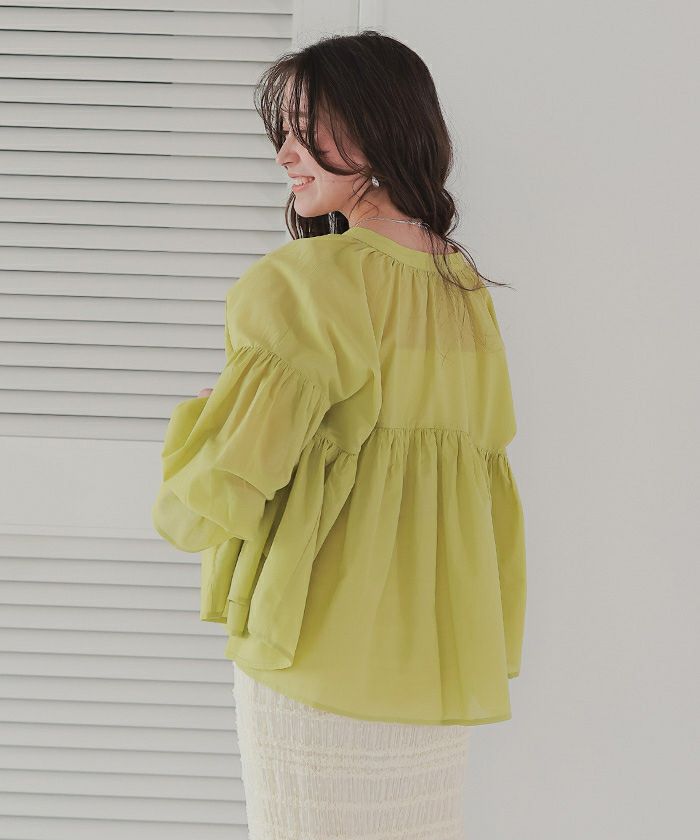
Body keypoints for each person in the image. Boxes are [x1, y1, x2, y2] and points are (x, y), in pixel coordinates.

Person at [151, 29, 526, 840]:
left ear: (378, 123)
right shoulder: (463, 287)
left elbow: (213, 497)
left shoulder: (307, 281)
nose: (286, 153)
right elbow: (475, 483)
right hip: (431, 659)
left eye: (307, 128)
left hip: (314, 655)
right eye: (280, 131)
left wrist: (207, 420)